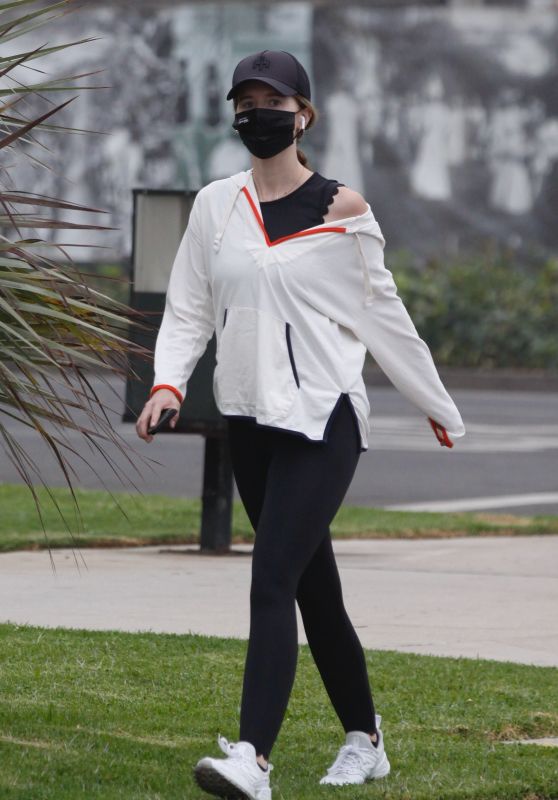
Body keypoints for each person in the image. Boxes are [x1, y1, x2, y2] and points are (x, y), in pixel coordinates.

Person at [136, 49, 466, 800]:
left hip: (324, 419)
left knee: (272, 574)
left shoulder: (342, 210)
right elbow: (189, 306)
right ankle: (366, 738)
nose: (258, 113)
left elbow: (385, 316)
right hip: (251, 417)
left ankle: (252, 758)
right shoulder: (215, 206)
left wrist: (435, 402)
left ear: (303, 114)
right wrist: (167, 382)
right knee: (315, 593)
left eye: (273, 100)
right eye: (245, 101)